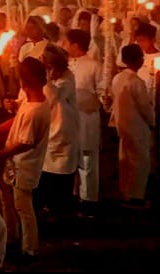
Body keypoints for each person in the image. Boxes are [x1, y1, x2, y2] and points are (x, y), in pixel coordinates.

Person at [0, 57, 49, 262]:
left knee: (22, 207)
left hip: (24, 166)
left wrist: (0, 155)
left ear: (25, 82)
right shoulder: (30, 101)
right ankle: (12, 236)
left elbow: (26, 142)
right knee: (4, 198)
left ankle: (29, 249)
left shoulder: (37, 110)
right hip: (14, 164)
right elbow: (16, 120)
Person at [38, 44, 80, 221]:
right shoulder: (49, 80)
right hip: (48, 132)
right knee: (46, 172)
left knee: (62, 175)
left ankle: (61, 211)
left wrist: (46, 79)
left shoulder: (67, 80)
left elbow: (54, 97)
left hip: (63, 134)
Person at [110, 44, 155, 205]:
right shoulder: (136, 82)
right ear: (138, 60)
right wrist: (153, 123)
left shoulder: (118, 78)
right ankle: (136, 197)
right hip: (137, 128)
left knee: (125, 161)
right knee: (140, 163)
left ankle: (125, 192)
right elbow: (145, 107)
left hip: (122, 127)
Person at [66, 28, 105, 210]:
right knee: (71, 157)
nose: (64, 46)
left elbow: (103, 92)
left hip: (87, 118)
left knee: (88, 159)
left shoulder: (94, 65)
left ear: (75, 45)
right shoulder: (66, 65)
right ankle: (73, 195)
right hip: (69, 120)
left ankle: (89, 199)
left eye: (66, 43)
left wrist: (97, 100)